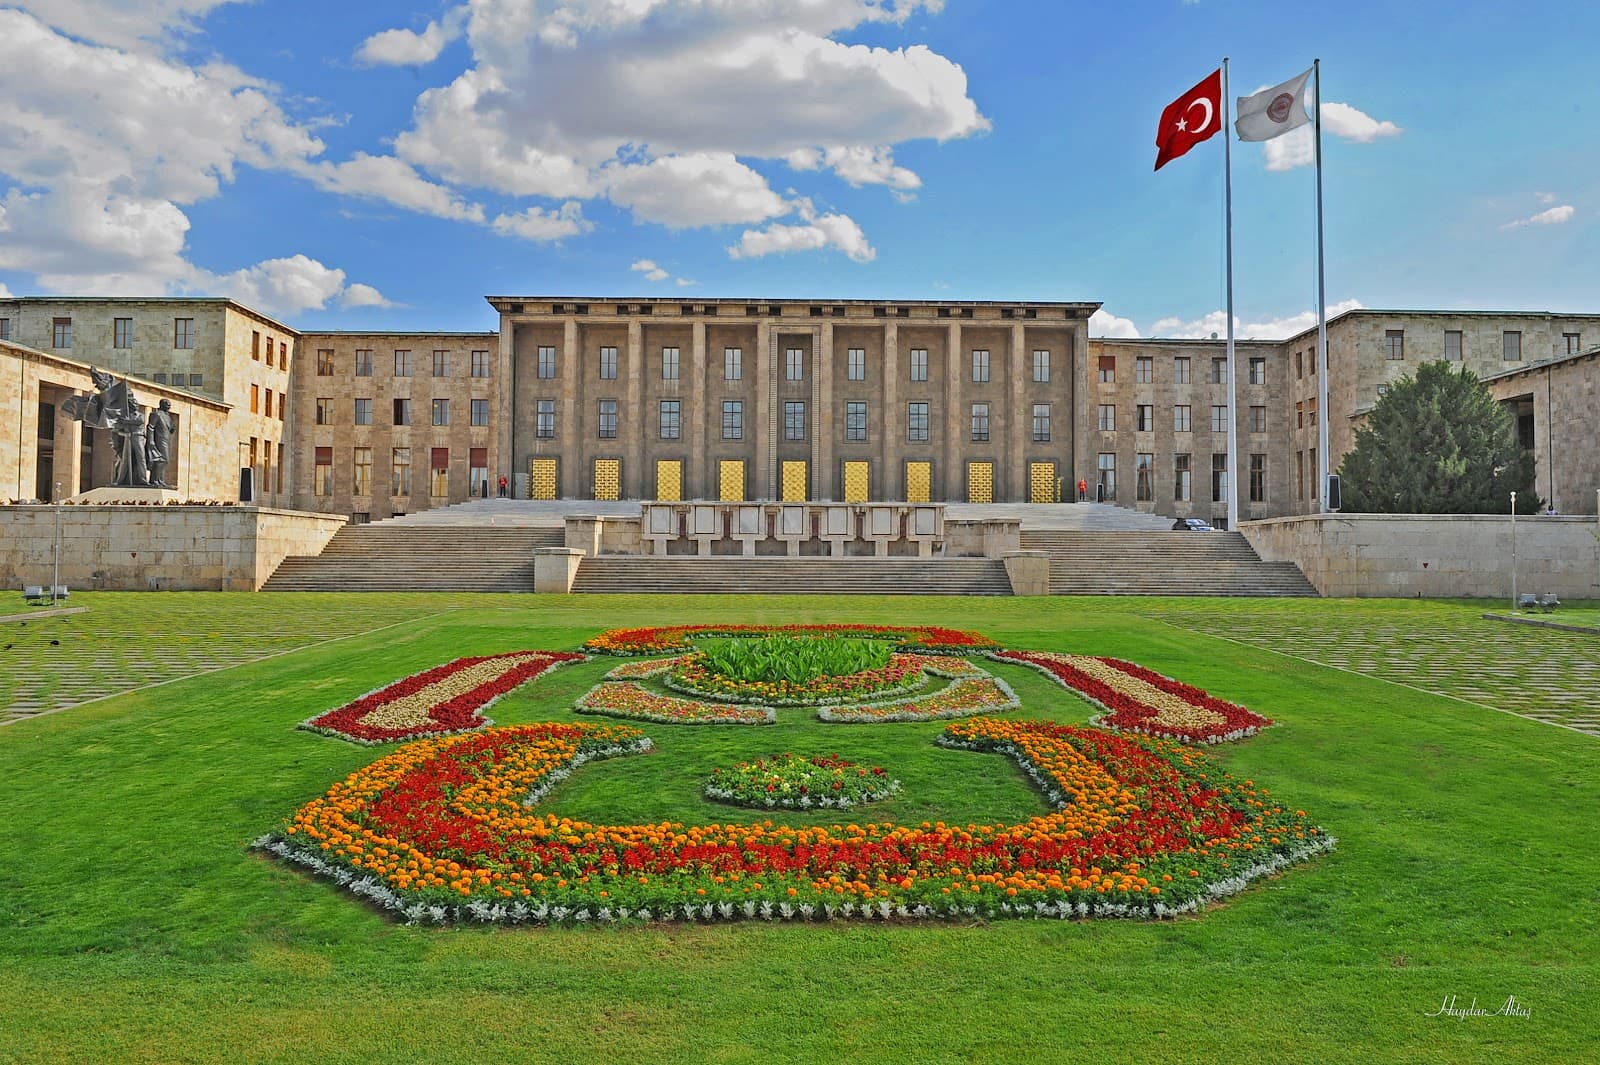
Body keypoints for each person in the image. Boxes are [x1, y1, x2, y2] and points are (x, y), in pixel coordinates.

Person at [145, 399, 175, 488]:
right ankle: (154, 480)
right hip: (158, 440)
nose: (169, 407)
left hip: (166, 440)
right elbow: (150, 427)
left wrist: (172, 429)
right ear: (162, 405)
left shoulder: (168, 416)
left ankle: (160, 480)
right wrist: (150, 440)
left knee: (163, 460)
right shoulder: (156, 414)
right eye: (167, 405)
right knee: (160, 459)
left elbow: (168, 429)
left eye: (170, 405)